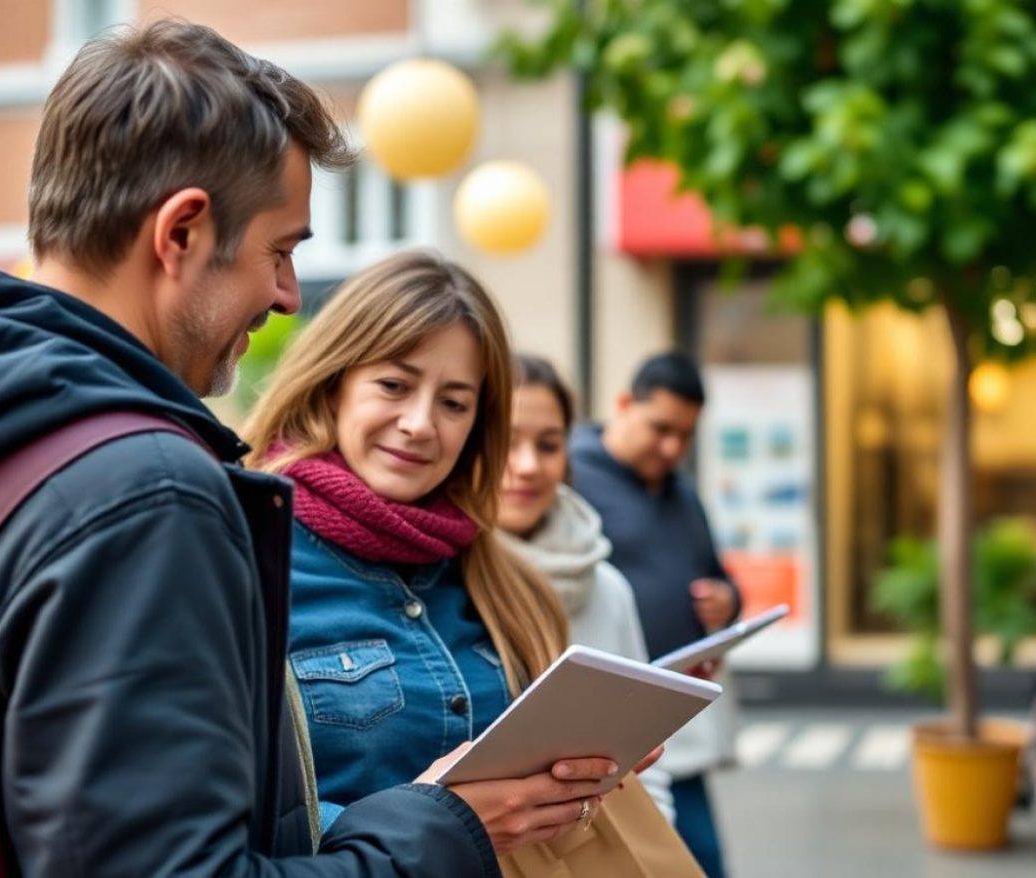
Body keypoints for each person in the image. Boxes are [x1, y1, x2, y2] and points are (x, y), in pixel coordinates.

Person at [0, 21, 499, 876]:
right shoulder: (145, 492)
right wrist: (440, 828)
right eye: (280, 251)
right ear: (180, 233)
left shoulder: (6, 419)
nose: (287, 296)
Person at [243, 251, 654, 859]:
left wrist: (581, 776)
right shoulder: (251, 560)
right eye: (394, 385)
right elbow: (234, 813)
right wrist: (437, 817)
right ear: (333, 386)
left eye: (454, 402)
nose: (419, 424)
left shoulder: (505, 578)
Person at [569, 351, 742, 878]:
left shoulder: (682, 491)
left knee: (700, 861)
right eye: (661, 429)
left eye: (685, 436)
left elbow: (720, 574)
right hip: (603, 725)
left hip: (675, 718)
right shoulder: (571, 476)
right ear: (624, 405)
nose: (673, 448)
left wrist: (728, 602)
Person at [495, 353, 675, 821]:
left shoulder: (606, 586)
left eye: (548, 444)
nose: (528, 465)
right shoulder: (438, 580)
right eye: (505, 442)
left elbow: (644, 753)